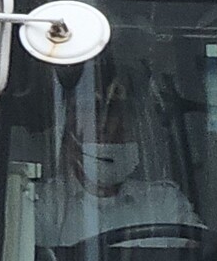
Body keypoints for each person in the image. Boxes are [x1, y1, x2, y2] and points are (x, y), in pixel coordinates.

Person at [32, 67, 202, 249]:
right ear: (66, 133)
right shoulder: (44, 207)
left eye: (114, 111)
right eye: (92, 111)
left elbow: (202, 259)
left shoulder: (164, 203)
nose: (105, 126)